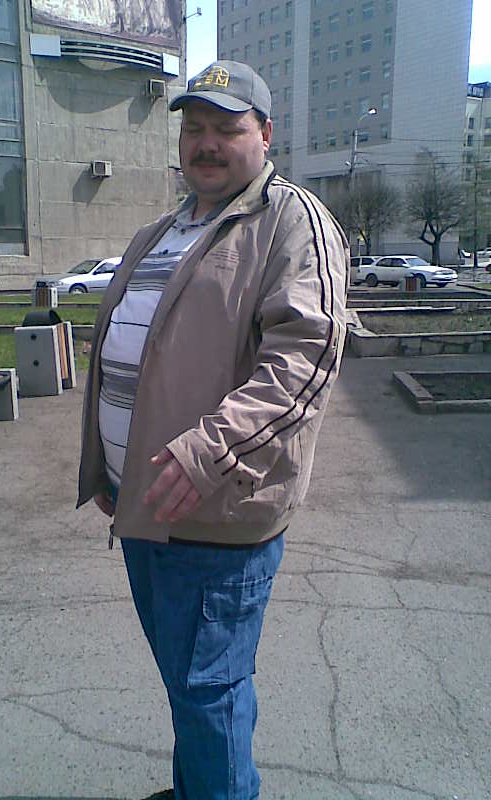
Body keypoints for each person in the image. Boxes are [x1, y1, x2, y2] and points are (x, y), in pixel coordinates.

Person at [78, 60, 349, 800]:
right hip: (145, 505)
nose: (206, 143)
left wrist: (207, 453)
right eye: (193, 128)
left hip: (216, 511)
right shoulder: (163, 230)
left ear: (265, 134)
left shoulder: (291, 221)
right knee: (187, 682)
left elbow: (306, 361)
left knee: (209, 690)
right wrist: (106, 468)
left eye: (226, 129)